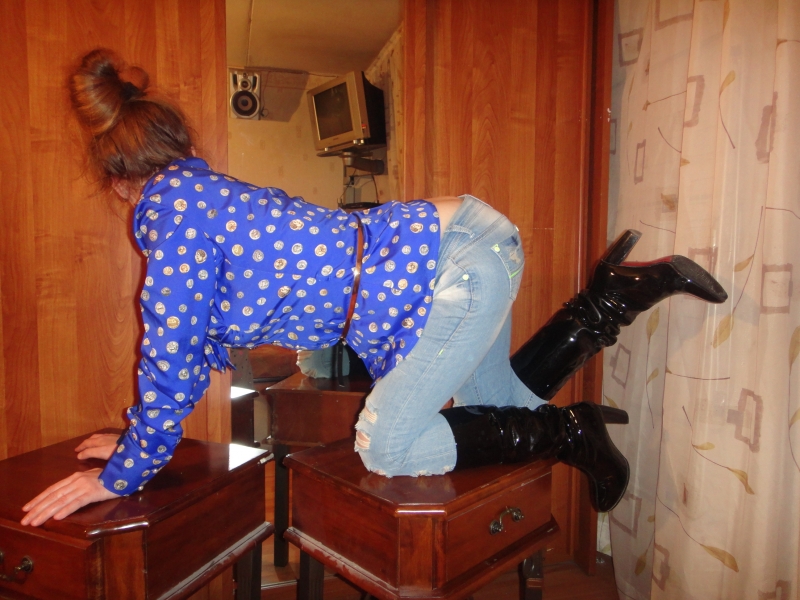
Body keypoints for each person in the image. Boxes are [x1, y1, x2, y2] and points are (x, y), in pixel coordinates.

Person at [21, 49, 727, 527]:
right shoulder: (202, 194)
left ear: (119, 180)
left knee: (386, 446)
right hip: (462, 246)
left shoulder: (172, 212)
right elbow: (181, 350)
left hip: (451, 264)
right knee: (501, 407)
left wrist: (123, 472)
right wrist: (138, 441)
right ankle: (611, 300)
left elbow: (170, 351)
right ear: (175, 145)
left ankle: (574, 429)